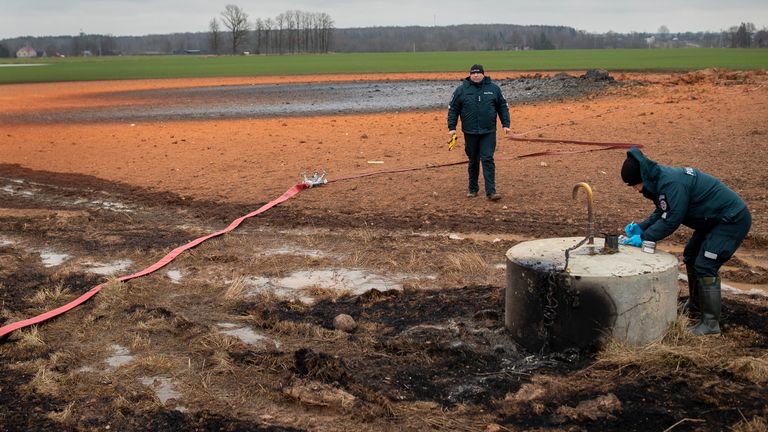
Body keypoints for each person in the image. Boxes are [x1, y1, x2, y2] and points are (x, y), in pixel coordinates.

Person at [620, 146, 751, 335]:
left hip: (730, 220)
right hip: (712, 220)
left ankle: (710, 324)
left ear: (642, 178)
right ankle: (696, 306)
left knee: (706, 264)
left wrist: (645, 238)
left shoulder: (671, 183)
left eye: (634, 185)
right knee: (691, 254)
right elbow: (663, 210)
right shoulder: (660, 181)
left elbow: (672, 218)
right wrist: (642, 227)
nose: (635, 189)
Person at [447, 64, 511, 201]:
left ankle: (491, 192)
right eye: (473, 73)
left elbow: (503, 107)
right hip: (470, 132)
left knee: (487, 159)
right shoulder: (461, 90)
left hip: (488, 131)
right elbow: (453, 109)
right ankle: (473, 189)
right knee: (473, 160)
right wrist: (452, 127)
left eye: (478, 73)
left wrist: (506, 124)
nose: (476, 75)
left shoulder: (493, 89)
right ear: (470, 75)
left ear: (483, 74)